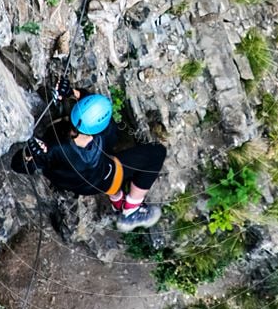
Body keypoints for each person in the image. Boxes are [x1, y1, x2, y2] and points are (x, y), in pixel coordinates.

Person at [11, 78, 166, 232]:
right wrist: (72, 93)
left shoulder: (53, 148)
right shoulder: (105, 133)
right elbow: (89, 107)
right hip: (104, 176)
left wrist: (30, 155)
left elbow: (17, 165)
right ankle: (131, 210)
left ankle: (119, 202)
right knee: (157, 153)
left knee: (112, 173)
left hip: (75, 182)